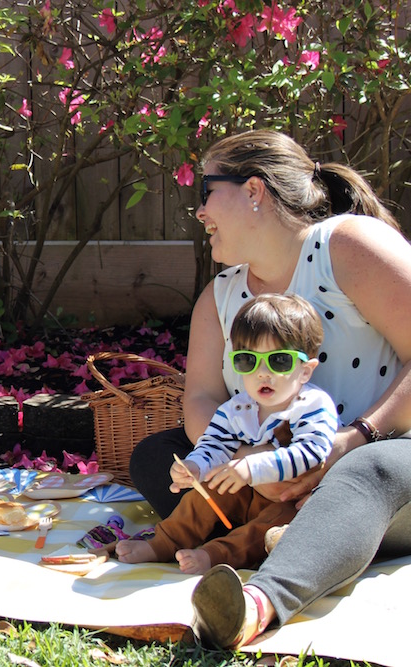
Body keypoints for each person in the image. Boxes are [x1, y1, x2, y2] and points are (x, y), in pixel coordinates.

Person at [123, 130, 411, 649]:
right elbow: (202, 400)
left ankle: (260, 601)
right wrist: (253, 463)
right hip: (265, 473)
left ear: (254, 190)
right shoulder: (220, 295)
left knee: (368, 470)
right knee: (158, 458)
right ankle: (299, 538)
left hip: (382, 461)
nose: (200, 211)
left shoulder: (348, 246)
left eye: (207, 191)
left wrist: (353, 438)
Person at [116, 294, 338, 574]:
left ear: (305, 370)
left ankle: (215, 555)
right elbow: (214, 443)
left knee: (271, 527)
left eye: (279, 361)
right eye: (248, 361)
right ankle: (163, 543)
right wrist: (195, 466)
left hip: (291, 498)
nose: (262, 373)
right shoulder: (238, 408)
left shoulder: (313, 406)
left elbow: (312, 452)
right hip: (245, 492)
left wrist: (251, 468)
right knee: (205, 492)